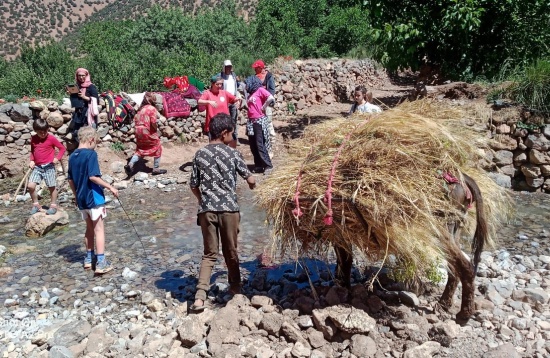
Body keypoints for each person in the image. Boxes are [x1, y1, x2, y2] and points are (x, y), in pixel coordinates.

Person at [189, 113, 256, 311]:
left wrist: (202, 200)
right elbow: (250, 179)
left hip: (206, 210)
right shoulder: (233, 153)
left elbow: (194, 184)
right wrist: (254, 185)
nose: (233, 138)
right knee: (231, 251)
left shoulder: (200, 154)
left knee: (209, 254)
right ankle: (235, 289)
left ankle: (200, 296)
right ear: (225, 133)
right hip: (229, 210)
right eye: (232, 134)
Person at [68, 126, 119, 274]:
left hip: (82, 198)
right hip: (94, 198)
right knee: (99, 230)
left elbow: (71, 180)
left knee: (89, 229)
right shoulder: (91, 155)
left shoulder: (72, 156)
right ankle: (101, 263)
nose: (95, 144)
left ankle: (89, 260)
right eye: (95, 141)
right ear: (91, 139)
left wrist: (76, 196)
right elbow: (93, 177)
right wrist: (111, 187)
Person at [28, 118, 66, 215]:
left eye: (45, 131)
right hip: (37, 167)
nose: (44, 133)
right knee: (31, 186)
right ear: (35, 131)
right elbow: (33, 150)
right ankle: (36, 204)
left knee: (51, 187)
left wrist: (57, 158)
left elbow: (62, 148)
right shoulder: (33, 139)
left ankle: (53, 206)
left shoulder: (51, 138)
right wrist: (32, 160)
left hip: (48, 167)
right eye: (41, 132)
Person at [124, 93, 167, 176]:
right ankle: (156, 168)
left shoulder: (140, 109)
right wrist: (155, 129)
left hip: (138, 131)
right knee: (157, 147)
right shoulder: (151, 109)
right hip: (147, 131)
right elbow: (153, 122)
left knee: (140, 150)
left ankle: (130, 165)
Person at [197, 75, 240, 147]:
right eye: (217, 84)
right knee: (214, 146)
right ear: (212, 84)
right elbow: (199, 101)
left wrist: (238, 101)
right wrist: (208, 102)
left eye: (221, 84)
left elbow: (235, 98)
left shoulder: (224, 93)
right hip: (213, 125)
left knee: (226, 146)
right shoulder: (207, 93)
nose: (219, 86)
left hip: (224, 124)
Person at [245, 76, 274, 174]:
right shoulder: (250, 94)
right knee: (253, 145)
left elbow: (270, 97)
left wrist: (264, 106)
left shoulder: (260, 90)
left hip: (259, 120)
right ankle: (258, 165)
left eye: (247, 83)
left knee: (260, 143)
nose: (246, 85)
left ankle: (268, 165)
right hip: (250, 121)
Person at [252, 59, 276, 157]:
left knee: (269, 123)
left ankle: (271, 147)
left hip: (266, 104)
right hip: (258, 105)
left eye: (256, 68)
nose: (255, 70)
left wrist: (266, 101)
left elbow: (272, 90)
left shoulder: (268, 76)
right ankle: (262, 145)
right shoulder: (255, 77)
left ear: (260, 67)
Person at [68, 68, 99, 141]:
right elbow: (76, 98)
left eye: (83, 75)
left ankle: (87, 148)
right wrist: (71, 94)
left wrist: (84, 97)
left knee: (87, 132)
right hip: (78, 112)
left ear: (86, 75)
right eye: (79, 75)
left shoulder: (91, 86)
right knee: (77, 131)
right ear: (77, 76)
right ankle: (79, 147)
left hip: (87, 112)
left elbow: (96, 100)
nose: (81, 77)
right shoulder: (77, 86)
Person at [220, 60, 241, 145]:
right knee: (224, 120)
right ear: (224, 67)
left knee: (234, 120)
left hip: (233, 100)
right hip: (224, 101)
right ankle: (224, 138)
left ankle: (234, 138)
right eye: (227, 67)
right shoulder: (220, 76)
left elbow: (237, 85)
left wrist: (238, 81)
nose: (228, 68)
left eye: (230, 66)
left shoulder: (233, 75)